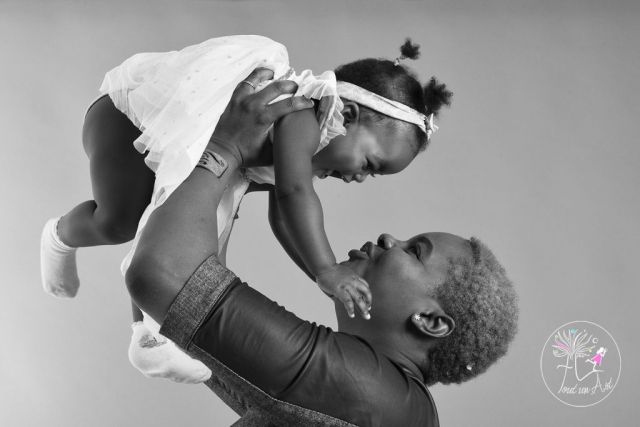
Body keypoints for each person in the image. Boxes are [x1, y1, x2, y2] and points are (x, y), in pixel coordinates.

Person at [40, 35, 452, 382]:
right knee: (118, 222)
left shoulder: (312, 145)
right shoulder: (301, 112)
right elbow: (293, 195)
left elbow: (280, 220)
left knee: (204, 239)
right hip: (127, 115)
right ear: (348, 113)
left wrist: (320, 275)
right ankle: (59, 239)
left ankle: (155, 336)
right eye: (370, 164)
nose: (361, 178)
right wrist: (328, 269)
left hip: (188, 152)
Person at [124, 69, 519, 426]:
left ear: (431, 321)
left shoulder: (371, 391)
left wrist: (226, 147)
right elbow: (195, 332)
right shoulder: (398, 407)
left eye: (414, 251)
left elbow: (162, 274)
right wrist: (231, 184)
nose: (388, 239)